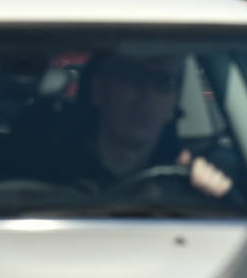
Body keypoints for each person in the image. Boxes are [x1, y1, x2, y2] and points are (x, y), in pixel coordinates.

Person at [34, 53, 233, 199]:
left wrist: (215, 194)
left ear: (174, 104)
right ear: (99, 91)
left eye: (163, 83)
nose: (147, 97)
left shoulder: (189, 179)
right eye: (131, 78)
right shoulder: (45, 170)